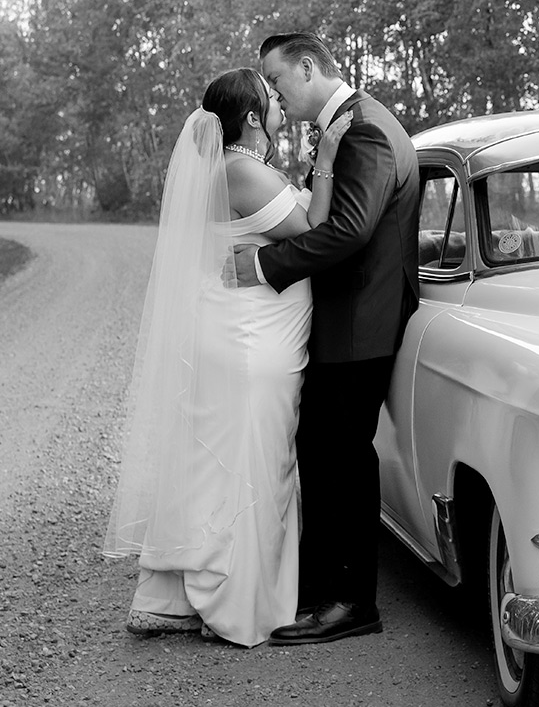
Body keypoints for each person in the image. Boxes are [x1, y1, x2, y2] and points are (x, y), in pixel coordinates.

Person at [102, 68, 352, 647]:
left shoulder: (232, 170)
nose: (281, 107)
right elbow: (314, 227)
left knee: (222, 460)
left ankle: (185, 589)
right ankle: (238, 602)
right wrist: (330, 156)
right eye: (272, 100)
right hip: (250, 343)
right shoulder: (241, 171)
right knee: (254, 460)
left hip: (242, 331)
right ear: (250, 118)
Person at [226, 32, 420, 646]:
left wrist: (263, 267)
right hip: (348, 321)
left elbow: (349, 231)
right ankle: (321, 590)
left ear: (307, 67)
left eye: (277, 80)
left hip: (362, 322)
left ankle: (351, 600)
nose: (274, 93)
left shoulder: (363, 129)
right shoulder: (348, 126)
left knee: (341, 458)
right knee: (326, 454)